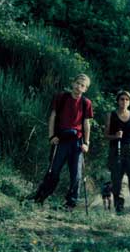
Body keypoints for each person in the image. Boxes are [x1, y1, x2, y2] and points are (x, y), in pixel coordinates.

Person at [31, 74, 94, 209]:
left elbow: (86, 123)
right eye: (77, 83)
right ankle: (40, 198)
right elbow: (52, 117)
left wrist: (86, 143)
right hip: (61, 140)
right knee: (53, 171)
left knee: (76, 176)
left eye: (82, 85)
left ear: (86, 89)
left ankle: (70, 204)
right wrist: (51, 136)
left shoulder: (86, 103)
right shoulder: (61, 97)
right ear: (73, 83)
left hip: (77, 142)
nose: (78, 87)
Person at [104, 90, 130, 215]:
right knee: (116, 180)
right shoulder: (111, 115)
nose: (124, 101)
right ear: (118, 101)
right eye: (122, 99)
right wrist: (115, 136)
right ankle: (119, 209)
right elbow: (105, 135)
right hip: (116, 149)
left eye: (127, 99)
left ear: (129, 102)